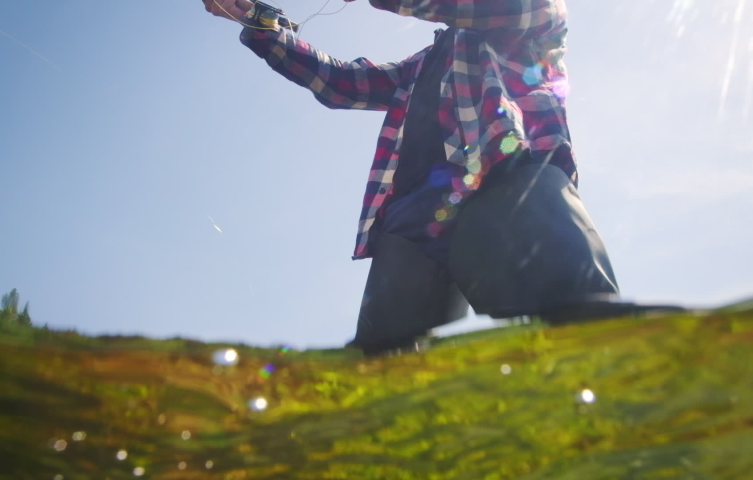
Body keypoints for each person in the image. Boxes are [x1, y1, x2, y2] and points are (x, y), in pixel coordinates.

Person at [201, 0, 638, 356]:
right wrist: (260, 24)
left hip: (511, 181)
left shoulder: (535, 14)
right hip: (411, 220)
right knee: (379, 367)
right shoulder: (423, 63)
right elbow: (342, 82)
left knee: (582, 330)